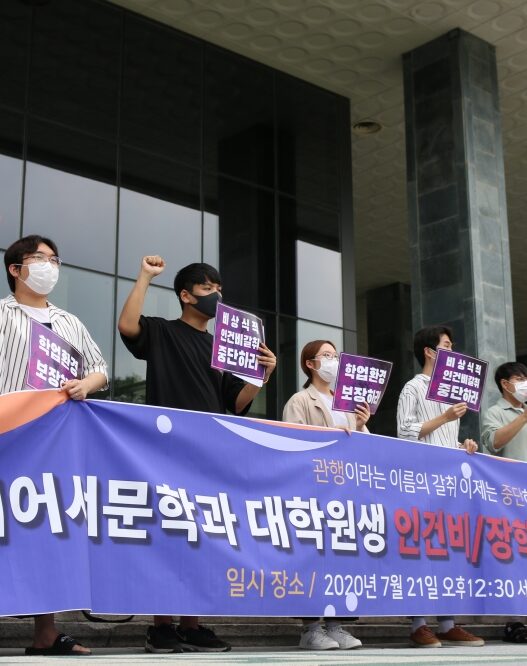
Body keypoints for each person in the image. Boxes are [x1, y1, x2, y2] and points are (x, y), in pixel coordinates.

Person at [118, 255, 276, 654]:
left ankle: (192, 624)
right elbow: (128, 326)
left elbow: (236, 402)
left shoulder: (221, 347)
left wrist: (262, 375)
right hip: (165, 451)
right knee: (166, 535)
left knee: (201, 538)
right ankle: (161, 625)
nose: (216, 295)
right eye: (207, 288)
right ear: (186, 296)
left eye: (219, 289)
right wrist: (145, 276)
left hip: (208, 455)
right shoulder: (162, 331)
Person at [1, 235, 108, 656]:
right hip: (8, 434)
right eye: (39, 258)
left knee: (42, 527)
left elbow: (99, 368)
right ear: (16, 269)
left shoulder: (68, 321)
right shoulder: (2, 314)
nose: (50, 266)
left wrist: (86, 385)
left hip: (53, 439)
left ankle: (45, 632)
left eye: (54, 260)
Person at [397, 324, 484, 648]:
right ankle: (418, 624)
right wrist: (445, 418)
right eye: (446, 345)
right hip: (421, 481)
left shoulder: (451, 393)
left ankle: (447, 623)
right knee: (420, 550)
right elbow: (405, 432)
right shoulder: (413, 387)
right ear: (429, 352)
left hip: (449, 484)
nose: (452, 351)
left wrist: (463, 445)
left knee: (448, 551)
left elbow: (442, 437)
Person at [283, 339, 369, 651]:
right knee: (312, 560)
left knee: (342, 560)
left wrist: (361, 425)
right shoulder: (300, 400)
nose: (333, 361)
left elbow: (364, 449)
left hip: (344, 495)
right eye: (327, 355)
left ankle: (336, 626)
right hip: (313, 492)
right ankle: (310, 629)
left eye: (335, 355)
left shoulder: (346, 405)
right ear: (310, 364)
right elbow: (292, 442)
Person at [481, 361, 527, 643]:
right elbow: (493, 442)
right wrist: (523, 417)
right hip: (512, 498)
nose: (524, 383)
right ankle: (515, 621)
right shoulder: (496, 412)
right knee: (516, 558)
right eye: (520, 378)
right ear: (505, 384)